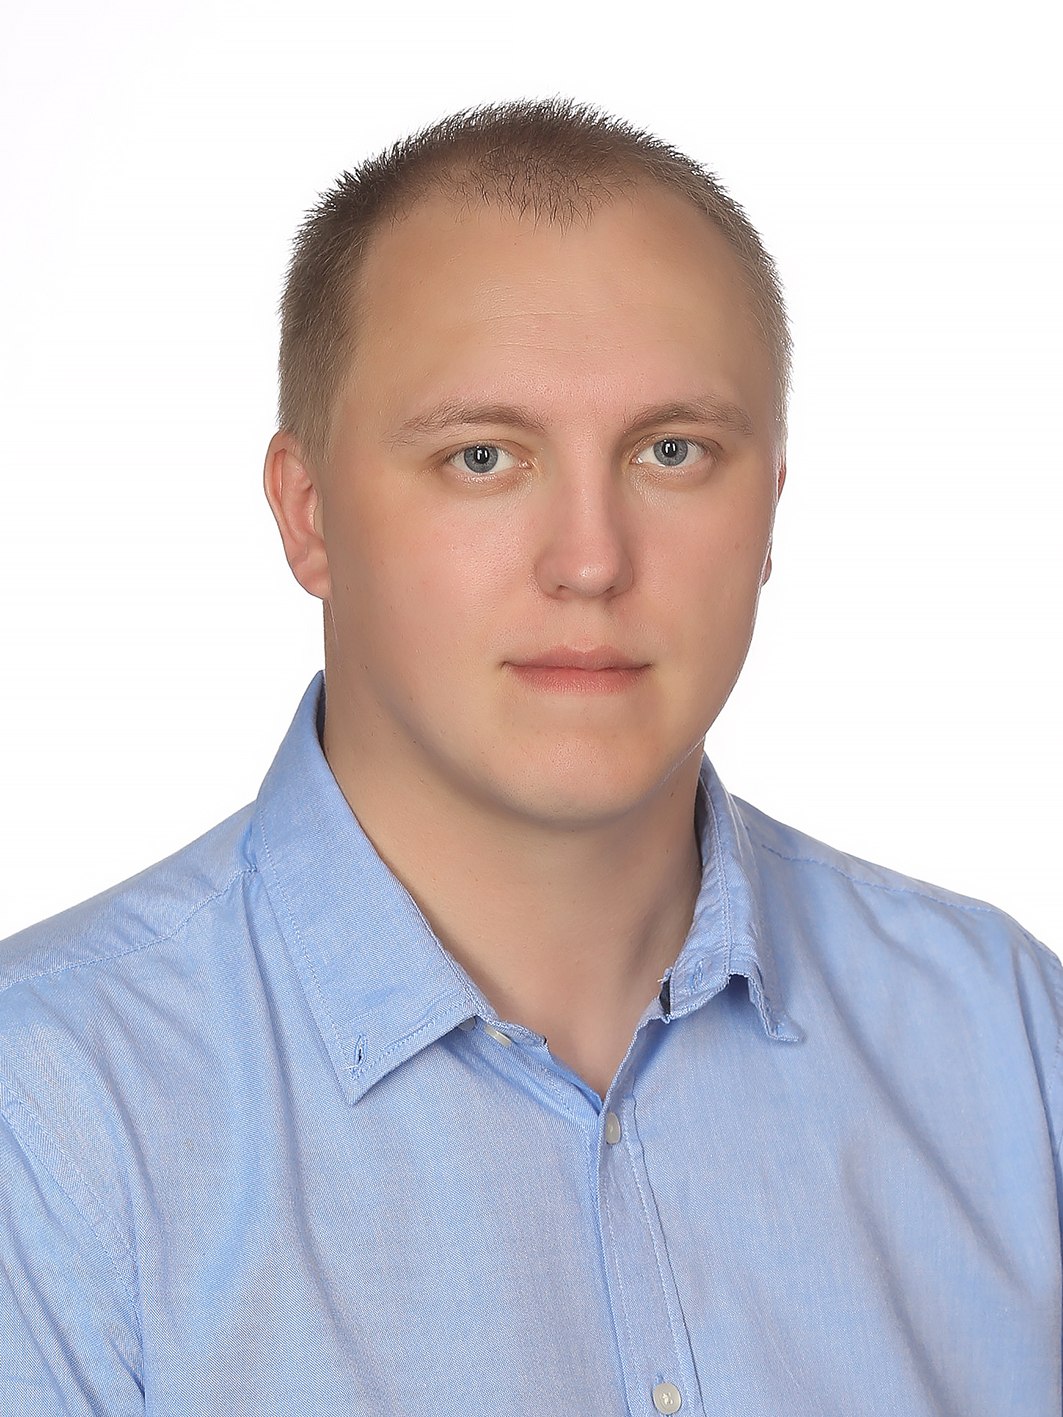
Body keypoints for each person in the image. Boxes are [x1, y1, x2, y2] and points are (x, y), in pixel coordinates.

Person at [1, 99, 1059, 1416]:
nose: (591, 560)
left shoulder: (1010, 1035)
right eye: (483, 457)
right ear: (308, 514)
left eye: (672, 452)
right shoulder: (46, 1111)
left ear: (771, 505)